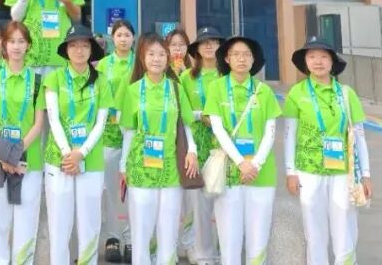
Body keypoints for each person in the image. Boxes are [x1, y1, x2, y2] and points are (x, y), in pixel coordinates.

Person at [284, 37, 372, 265]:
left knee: (345, 227)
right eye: (312, 56)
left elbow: (360, 137)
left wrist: (366, 175)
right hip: (308, 171)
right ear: (305, 62)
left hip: (343, 171)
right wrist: (290, 172)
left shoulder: (346, 94)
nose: (318, 61)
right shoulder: (296, 93)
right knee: (314, 230)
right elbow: (289, 135)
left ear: (332, 62)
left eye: (324, 56)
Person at [116, 33, 199, 265]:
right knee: (141, 232)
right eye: (151, 54)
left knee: (168, 231)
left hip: (171, 167)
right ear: (143, 58)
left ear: (168, 58)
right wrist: (123, 166)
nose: (156, 59)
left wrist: (192, 150)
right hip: (140, 167)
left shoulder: (175, 88)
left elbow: (186, 123)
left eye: (161, 54)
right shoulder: (133, 90)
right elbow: (129, 131)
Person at [203, 36, 281, 265]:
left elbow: (270, 132)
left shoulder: (264, 91)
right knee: (229, 241)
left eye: (246, 54)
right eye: (236, 54)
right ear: (227, 59)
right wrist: (241, 163)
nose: (241, 59)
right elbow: (218, 129)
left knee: (258, 242)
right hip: (229, 173)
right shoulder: (217, 88)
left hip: (261, 175)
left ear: (253, 60)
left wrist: (254, 165)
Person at [43, 24, 112, 265]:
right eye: (73, 45)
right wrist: (68, 154)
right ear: (66, 50)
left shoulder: (102, 80)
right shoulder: (54, 78)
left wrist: (81, 153)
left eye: (84, 45)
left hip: (90, 160)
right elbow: (53, 119)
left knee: (90, 225)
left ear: (92, 50)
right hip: (59, 159)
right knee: (59, 226)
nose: (79, 50)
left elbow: (101, 122)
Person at [0, 21, 46, 265]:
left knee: (26, 223)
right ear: (4, 45)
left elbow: (38, 125)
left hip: (29, 162)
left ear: (28, 45)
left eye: (21, 41)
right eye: (11, 41)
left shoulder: (38, 81)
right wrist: (5, 156)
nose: (16, 46)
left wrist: (15, 154)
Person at [178, 27, 224, 265]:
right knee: (200, 203)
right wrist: (201, 115)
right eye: (204, 42)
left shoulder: (226, 76)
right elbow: (182, 110)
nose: (209, 46)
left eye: (214, 41)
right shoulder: (187, 77)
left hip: (225, 144)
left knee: (226, 202)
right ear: (196, 49)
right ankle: (205, 253)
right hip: (196, 144)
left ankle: (225, 250)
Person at [97, 18, 135, 263]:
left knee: (134, 190)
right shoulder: (102, 65)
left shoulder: (140, 63)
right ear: (112, 38)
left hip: (134, 133)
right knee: (111, 190)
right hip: (109, 135)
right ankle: (112, 237)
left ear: (133, 38)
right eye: (119, 35)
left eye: (127, 35)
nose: (123, 39)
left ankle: (131, 238)